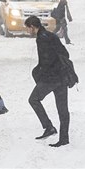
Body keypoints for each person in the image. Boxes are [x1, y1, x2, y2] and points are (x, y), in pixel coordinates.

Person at [24, 15, 71, 147]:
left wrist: (40, 73)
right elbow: (65, 54)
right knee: (63, 109)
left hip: (51, 78)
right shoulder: (51, 36)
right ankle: (64, 138)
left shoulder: (41, 39)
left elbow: (46, 60)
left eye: (28, 29)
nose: (28, 31)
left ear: (33, 27)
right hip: (62, 76)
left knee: (33, 99)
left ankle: (49, 127)